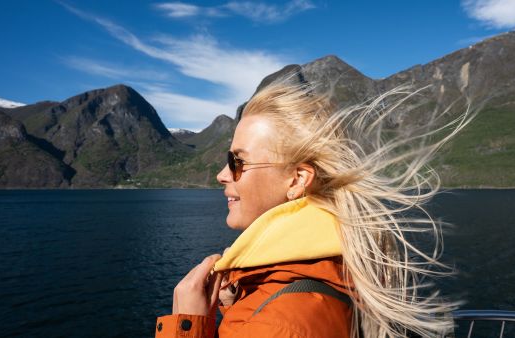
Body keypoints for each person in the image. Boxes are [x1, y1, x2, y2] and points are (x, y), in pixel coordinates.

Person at [154, 74, 473, 338]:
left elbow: (284, 324)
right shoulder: (328, 273)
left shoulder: (280, 324)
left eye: (238, 162)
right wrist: (240, 300)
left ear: (296, 180)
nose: (222, 175)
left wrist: (187, 325)